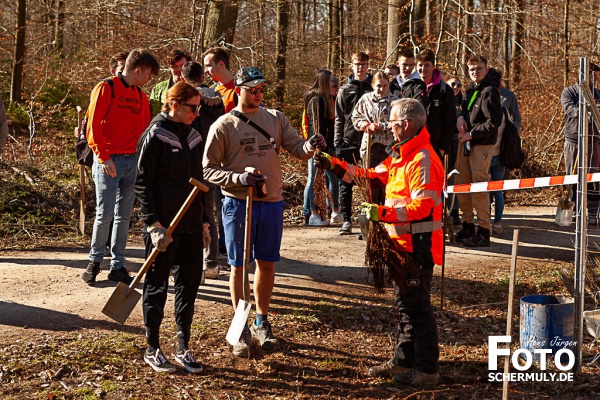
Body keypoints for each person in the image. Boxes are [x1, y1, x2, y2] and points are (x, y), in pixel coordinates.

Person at [316, 98, 443, 386]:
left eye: (393, 123)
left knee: (418, 308)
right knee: (406, 305)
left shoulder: (422, 158)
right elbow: (369, 177)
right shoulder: (401, 155)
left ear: (407, 125)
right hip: (401, 245)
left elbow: (422, 206)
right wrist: (331, 163)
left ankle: (427, 369)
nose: (389, 127)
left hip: (418, 247)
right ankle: (403, 361)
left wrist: (382, 213)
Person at [203, 66, 326, 357]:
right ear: (238, 91)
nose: (258, 94)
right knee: (238, 266)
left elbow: (296, 147)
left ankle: (261, 320)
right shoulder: (223, 125)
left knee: (267, 263)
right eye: (252, 89)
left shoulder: (275, 118)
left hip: (271, 202)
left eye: (261, 89)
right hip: (237, 204)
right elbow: (208, 169)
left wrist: (309, 146)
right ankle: (240, 325)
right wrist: (238, 179)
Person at [135, 82, 207, 374]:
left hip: (190, 225)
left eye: (199, 107)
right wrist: (152, 224)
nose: (197, 113)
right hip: (163, 227)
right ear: (175, 105)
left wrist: (204, 222)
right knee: (156, 287)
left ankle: (183, 346)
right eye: (193, 107)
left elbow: (202, 184)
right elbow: (142, 183)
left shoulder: (194, 136)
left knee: (189, 286)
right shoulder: (154, 135)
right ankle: (152, 347)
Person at [81, 49, 160, 285]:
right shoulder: (107, 87)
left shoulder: (141, 96)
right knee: (104, 214)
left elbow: (145, 131)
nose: (149, 79)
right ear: (138, 70)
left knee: (123, 217)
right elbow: (93, 125)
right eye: (148, 74)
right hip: (109, 160)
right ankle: (94, 261)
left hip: (132, 161)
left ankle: (118, 265)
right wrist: (104, 157)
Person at [181, 61, 225, 279]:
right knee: (209, 211)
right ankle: (211, 263)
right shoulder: (218, 101)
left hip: (194, 160)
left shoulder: (190, 102)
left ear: (183, 78)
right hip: (214, 161)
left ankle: (192, 263)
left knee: (190, 212)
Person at [455, 55, 503, 247]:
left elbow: (494, 121)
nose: (475, 72)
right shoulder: (471, 89)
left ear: (487, 68)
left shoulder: (490, 90)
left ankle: (483, 230)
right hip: (466, 143)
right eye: (472, 69)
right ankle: (468, 225)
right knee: (461, 183)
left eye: (479, 68)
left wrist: (472, 134)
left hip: (481, 145)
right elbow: (465, 110)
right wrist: (460, 118)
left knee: (479, 187)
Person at [203, 47, 238, 255]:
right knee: (216, 201)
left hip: (232, 155)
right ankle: (223, 242)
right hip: (215, 155)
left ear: (221, 64)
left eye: (209, 65)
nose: (207, 69)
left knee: (228, 201)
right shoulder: (211, 90)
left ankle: (230, 241)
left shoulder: (239, 89)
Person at [334, 51, 373, 235]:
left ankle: (370, 220)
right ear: (352, 65)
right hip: (348, 141)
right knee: (346, 182)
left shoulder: (373, 87)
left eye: (363, 64)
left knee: (370, 182)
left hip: (370, 142)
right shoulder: (344, 89)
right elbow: (339, 118)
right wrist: (337, 142)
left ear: (368, 65)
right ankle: (347, 220)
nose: (360, 67)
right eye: (357, 64)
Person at [351, 71, 399, 205]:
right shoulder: (365, 99)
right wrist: (365, 125)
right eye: (378, 86)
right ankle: (372, 213)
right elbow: (355, 117)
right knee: (371, 182)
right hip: (370, 146)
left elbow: (398, 123)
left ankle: (386, 211)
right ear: (372, 85)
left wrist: (382, 126)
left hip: (388, 147)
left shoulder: (395, 102)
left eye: (385, 86)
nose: (381, 89)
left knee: (386, 182)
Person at [561, 62, 600, 224]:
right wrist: (589, 110)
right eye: (593, 76)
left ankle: (592, 212)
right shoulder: (569, 92)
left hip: (593, 141)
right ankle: (573, 212)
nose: (595, 79)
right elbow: (570, 110)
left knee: (593, 179)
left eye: (597, 76)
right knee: (572, 178)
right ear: (583, 74)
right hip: (573, 141)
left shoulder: (598, 93)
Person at [302, 69, 340, 226]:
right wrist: (318, 145)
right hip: (316, 146)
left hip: (327, 146)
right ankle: (313, 213)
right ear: (324, 82)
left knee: (333, 178)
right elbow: (315, 126)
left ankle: (332, 210)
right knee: (314, 179)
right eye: (332, 81)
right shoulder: (316, 100)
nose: (335, 83)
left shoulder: (327, 99)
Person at [489, 69, 523, 234]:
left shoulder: (509, 96)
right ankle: (488, 222)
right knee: (488, 189)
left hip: (502, 150)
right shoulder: (485, 95)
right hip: (487, 150)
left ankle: (497, 223)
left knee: (498, 189)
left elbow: (517, 118)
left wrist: (511, 133)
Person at [415, 49, 456, 158]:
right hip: (414, 144)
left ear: (434, 66)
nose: (423, 69)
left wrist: (443, 146)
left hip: (436, 146)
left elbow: (450, 120)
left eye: (427, 65)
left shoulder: (445, 90)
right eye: (420, 65)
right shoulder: (411, 87)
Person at [149, 49, 192, 116]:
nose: (179, 70)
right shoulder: (158, 88)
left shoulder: (196, 88)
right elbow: (153, 116)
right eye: (175, 66)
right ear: (170, 67)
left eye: (182, 66)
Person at [445, 76, 464, 226]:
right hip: (445, 143)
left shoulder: (463, 104)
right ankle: (444, 209)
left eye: (458, 85)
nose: (456, 87)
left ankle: (454, 210)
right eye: (453, 84)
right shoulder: (443, 99)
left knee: (455, 177)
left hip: (458, 143)